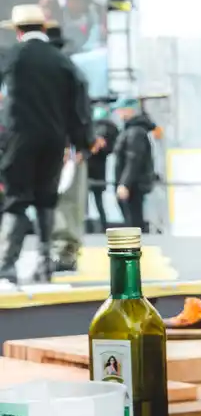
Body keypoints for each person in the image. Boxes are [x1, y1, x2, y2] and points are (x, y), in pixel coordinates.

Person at [0, 5, 93, 284]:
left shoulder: (13, 56)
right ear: (43, 28)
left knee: (16, 199)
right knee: (46, 198)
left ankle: (7, 264)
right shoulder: (61, 60)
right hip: (54, 139)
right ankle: (44, 265)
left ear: (18, 31)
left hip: (19, 138)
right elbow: (78, 103)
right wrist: (81, 141)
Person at [44, 20, 91, 271]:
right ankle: (63, 251)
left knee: (63, 200)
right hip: (68, 145)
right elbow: (81, 112)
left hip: (61, 146)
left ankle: (61, 251)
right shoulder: (69, 70)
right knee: (68, 200)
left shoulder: (55, 72)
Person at [112, 100, 158, 234]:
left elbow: (133, 160)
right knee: (133, 223)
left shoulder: (135, 132)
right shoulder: (132, 130)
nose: (118, 113)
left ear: (129, 110)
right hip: (132, 185)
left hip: (133, 186)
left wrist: (124, 184)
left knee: (133, 224)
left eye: (121, 109)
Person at [88, 102, 119, 230]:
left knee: (94, 200)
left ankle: (97, 226)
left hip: (91, 168)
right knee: (97, 200)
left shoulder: (97, 127)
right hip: (98, 169)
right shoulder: (110, 128)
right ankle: (102, 226)